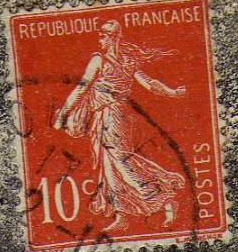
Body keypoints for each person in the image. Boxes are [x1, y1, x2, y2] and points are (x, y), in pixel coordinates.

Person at [52, 20, 188, 234]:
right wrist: (172, 92)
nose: (100, 39)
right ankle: (122, 214)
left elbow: (81, 89)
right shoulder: (128, 60)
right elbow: (150, 83)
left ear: (113, 37)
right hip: (117, 115)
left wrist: (62, 114)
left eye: (104, 36)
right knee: (111, 166)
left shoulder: (100, 59)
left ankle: (163, 199)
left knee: (119, 162)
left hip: (109, 116)